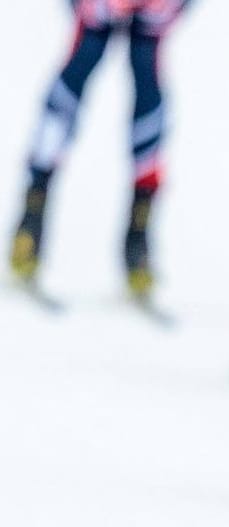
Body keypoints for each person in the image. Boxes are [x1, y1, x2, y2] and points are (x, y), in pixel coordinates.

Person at [9, 0, 194, 301]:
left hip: (153, 13)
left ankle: (138, 240)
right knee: (76, 74)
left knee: (148, 88)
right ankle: (30, 223)